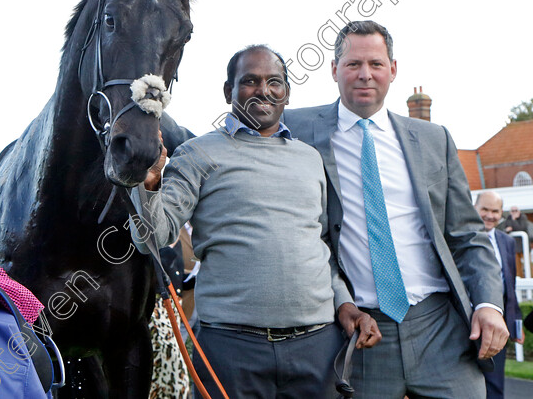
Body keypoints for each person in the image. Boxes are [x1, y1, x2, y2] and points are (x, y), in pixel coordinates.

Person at [134, 45, 380, 398]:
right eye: (249, 81)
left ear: (287, 93)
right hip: (231, 348)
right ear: (228, 92)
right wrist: (146, 186)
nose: (263, 90)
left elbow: (320, 245)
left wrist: (345, 304)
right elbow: (151, 238)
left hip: (318, 346)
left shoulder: (310, 159)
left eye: (274, 82)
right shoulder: (197, 154)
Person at [283, 20, 507, 398]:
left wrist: (488, 304)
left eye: (375, 64)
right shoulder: (297, 130)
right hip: (362, 333)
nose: (365, 75)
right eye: (353, 64)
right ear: (334, 70)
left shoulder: (435, 139)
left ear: (393, 69)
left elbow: (468, 236)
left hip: (441, 329)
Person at [475, 191, 524, 398]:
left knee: (494, 386)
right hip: (462, 324)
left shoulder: (507, 241)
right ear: (474, 209)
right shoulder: (458, 239)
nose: (490, 215)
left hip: (498, 326)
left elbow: (510, 287)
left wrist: (517, 323)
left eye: (495, 211)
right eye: (484, 209)